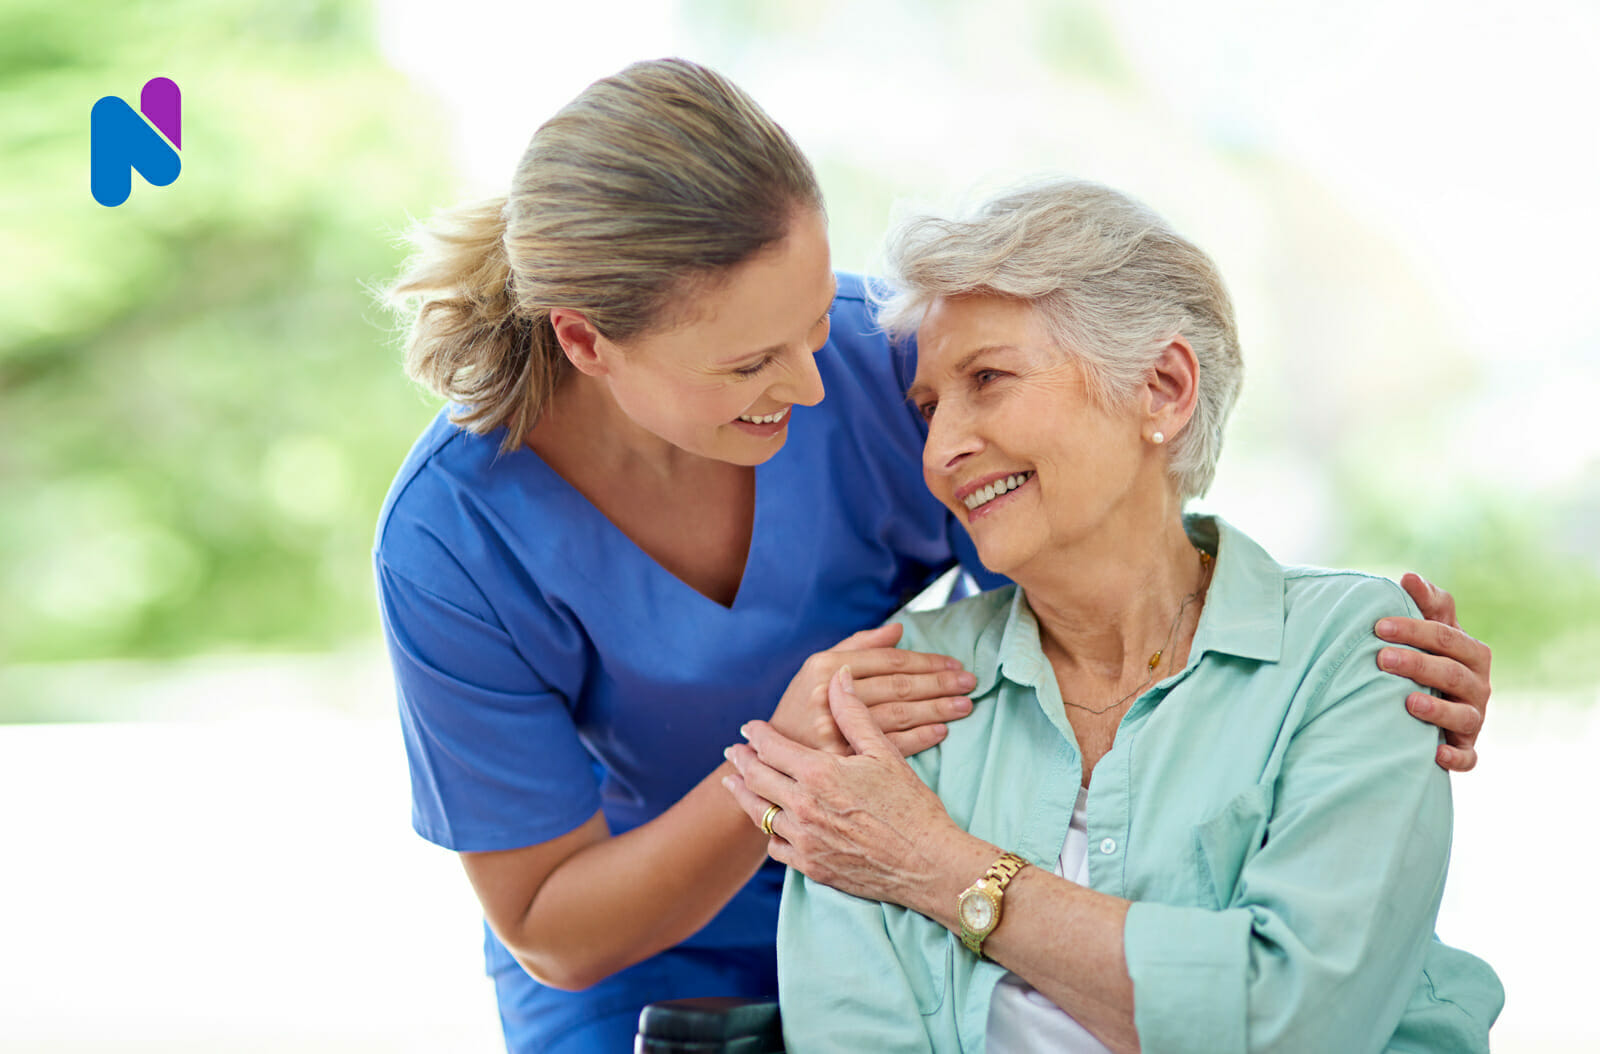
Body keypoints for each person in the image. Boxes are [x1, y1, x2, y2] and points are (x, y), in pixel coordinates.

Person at [375, 61, 1492, 1053]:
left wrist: (1343, 664)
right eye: (755, 361)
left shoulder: (885, 369)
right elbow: (552, 927)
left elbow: (1110, 547)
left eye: (817, 321)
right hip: (648, 954)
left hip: (940, 889)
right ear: (584, 341)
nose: (817, 386)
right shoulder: (453, 537)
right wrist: (796, 771)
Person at [725, 180, 1504, 1052]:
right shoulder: (898, 690)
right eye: (931, 408)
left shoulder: (1352, 654)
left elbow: (1292, 1022)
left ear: (1163, 388)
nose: (941, 452)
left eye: (988, 379)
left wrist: (941, 867)